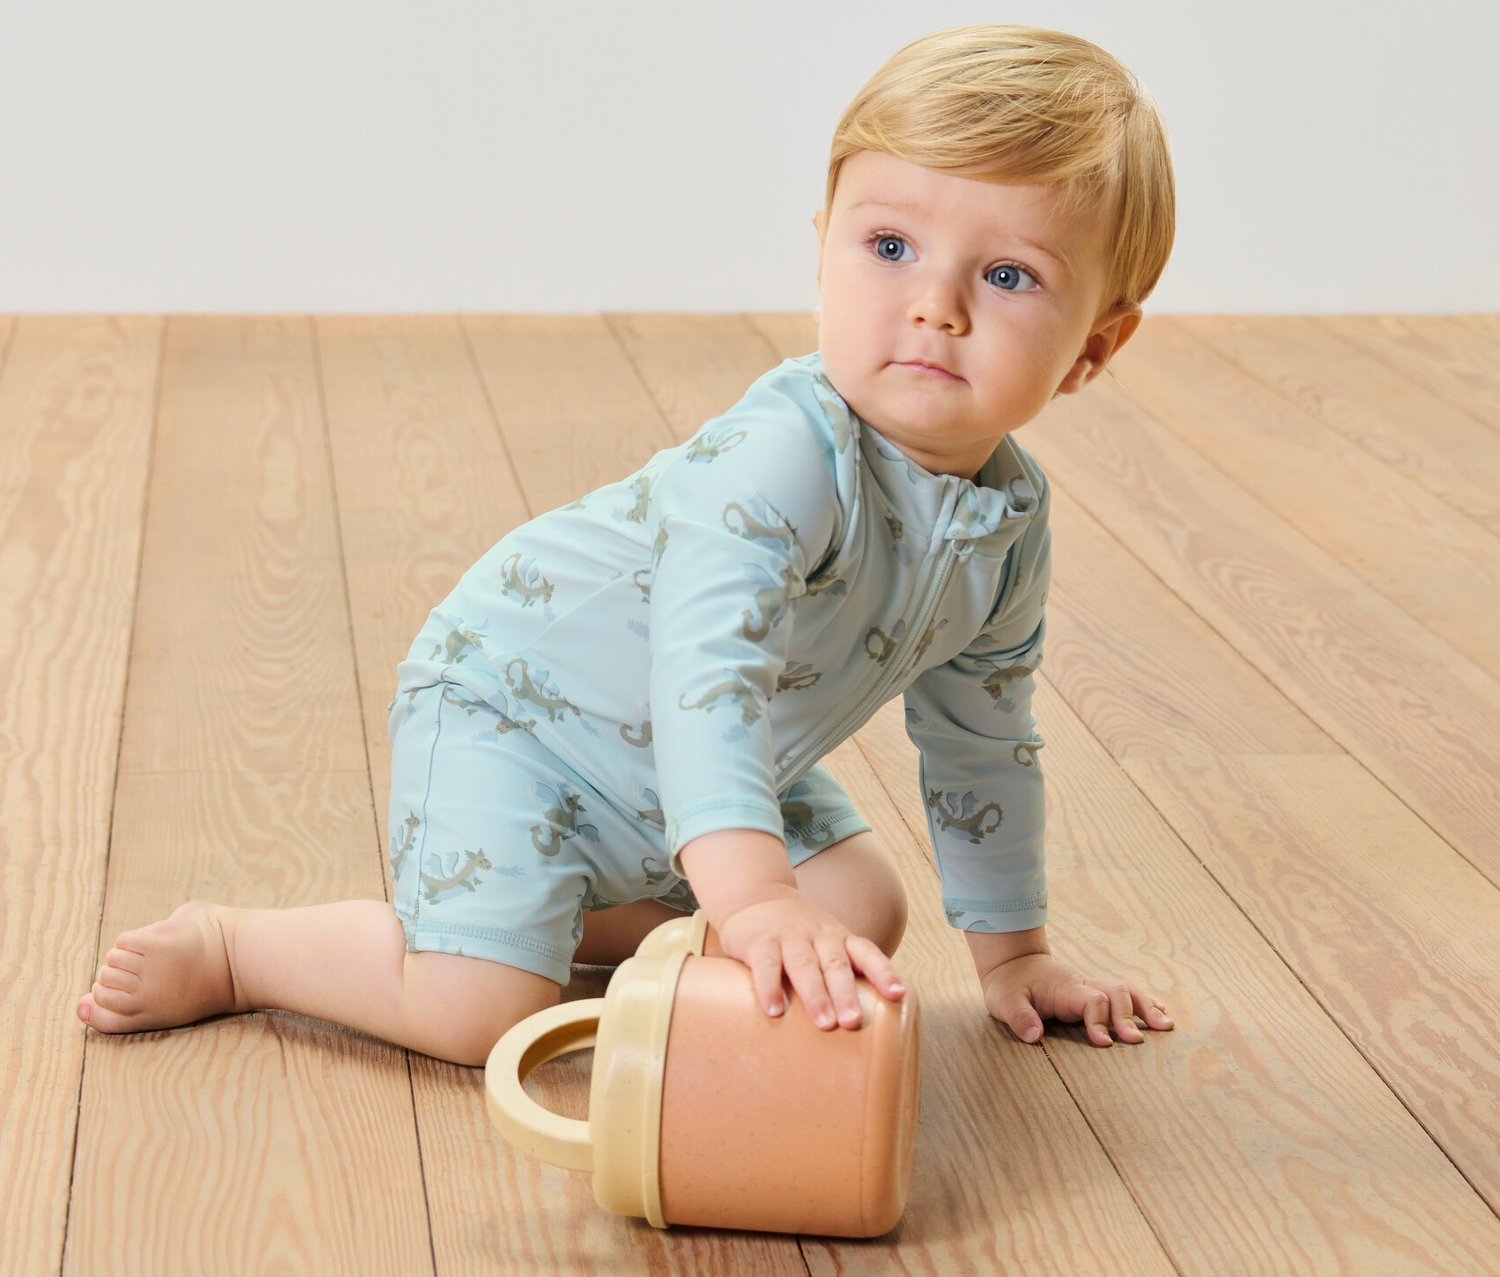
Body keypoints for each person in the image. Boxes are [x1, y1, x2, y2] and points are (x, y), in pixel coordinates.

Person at [78, 25, 1175, 1066]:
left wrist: (1015, 952)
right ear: (823, 247)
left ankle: (578, 911)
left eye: (1008, 275)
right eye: (890, 246)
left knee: (860, 911)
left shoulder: (1007, 524)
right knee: (478, 1010)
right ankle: (244, 947)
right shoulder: (786, 458)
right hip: (520, 714)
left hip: (701, 765)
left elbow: (985, 738)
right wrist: (748, 900)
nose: (934, 305)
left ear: (1095, 345)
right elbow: (707, 678)